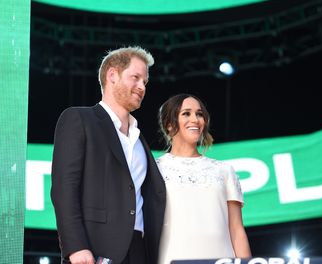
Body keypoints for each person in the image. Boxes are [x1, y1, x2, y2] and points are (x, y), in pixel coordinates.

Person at [51, 46, 166, 264]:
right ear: (112, 75)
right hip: (95, 250)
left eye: (145, 82)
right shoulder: (79, 119)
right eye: (136, 77)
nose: (142, 86)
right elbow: (64, 188)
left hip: (140, 251)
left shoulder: (140, 140)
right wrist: (76, 246)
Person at [156, 93, 252, 263]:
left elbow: (236, 230)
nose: (195, 119)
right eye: (186, 113)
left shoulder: (224, 170)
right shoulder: (154, 170)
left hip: (221, 258)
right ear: (169, 125)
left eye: (199, 114)